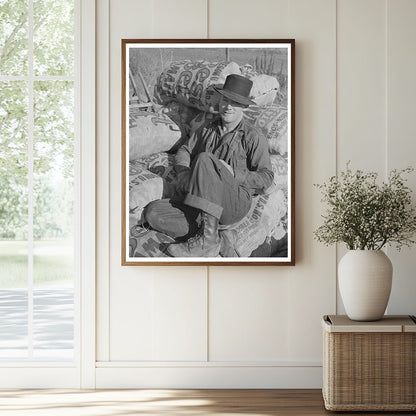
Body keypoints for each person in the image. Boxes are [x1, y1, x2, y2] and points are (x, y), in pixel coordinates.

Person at [143, 74, 274, 257]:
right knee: (154, 213)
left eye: (234, 103)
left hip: (233, 203)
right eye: (225, 100)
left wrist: (235, 173)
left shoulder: (253, 137)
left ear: (244, 106)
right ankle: (215, 235)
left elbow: (267, 177)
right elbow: (185, 151)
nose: (228, 106)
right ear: (220, 100)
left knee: (204, 159)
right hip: (201, 201)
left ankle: (207, 240)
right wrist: (183, 172)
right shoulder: (207, 128)